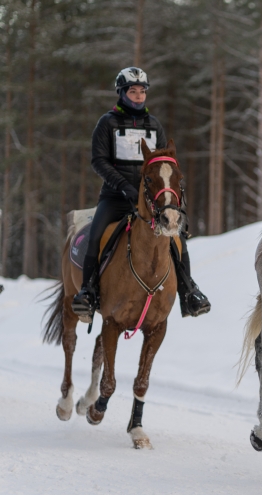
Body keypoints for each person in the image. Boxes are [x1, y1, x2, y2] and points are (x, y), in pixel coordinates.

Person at [71, 67, 210, 320]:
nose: (138, 96)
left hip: (150, 201)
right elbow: (98, 161)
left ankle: (188, 292)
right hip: (115, 197)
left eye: (141, 91)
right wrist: (124, 186)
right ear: (122, 93)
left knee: (177, 239)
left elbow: (165, 162)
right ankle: (88, 292)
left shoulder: (154, 125)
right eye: (132, 91)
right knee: (96, 235)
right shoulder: (107, 123)